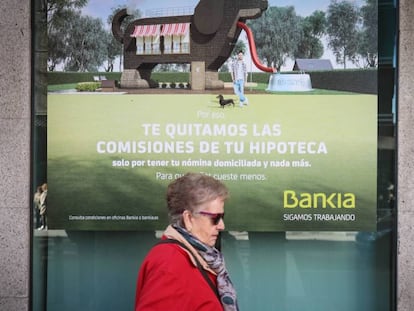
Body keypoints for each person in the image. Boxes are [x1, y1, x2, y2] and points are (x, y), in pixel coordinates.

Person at [135, 172, 238, 311]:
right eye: (215, 218)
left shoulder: (199, 257)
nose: (221, 226)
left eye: (222, 216)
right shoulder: (169, 263)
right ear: (189, 218)